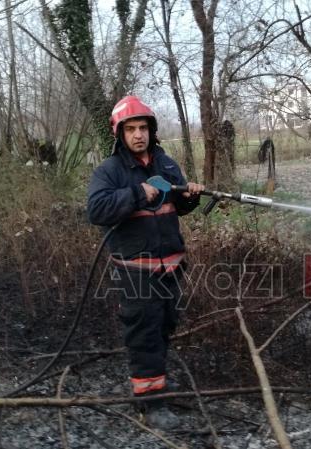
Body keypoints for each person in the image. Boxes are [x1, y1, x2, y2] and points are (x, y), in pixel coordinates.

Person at [87, 96, 204, 429]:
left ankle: (158, 383)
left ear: (152, 131)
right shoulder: (109, 171)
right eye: (131, 129)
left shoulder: (166, 164)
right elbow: (96, 210)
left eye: (143, 128)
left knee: (165, 326)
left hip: (171, 266)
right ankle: (150, 406)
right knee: (144, 334)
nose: (138, 135)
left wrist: (189, 199)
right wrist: (138, 193)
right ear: (119, 133)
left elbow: (176, 208)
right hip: (136, 270)